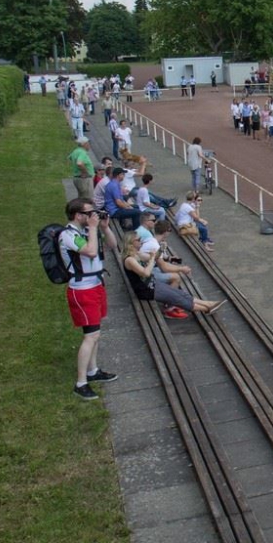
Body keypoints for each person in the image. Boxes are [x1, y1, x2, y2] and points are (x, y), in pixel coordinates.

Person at [60, 197, 119, 400]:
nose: (93, 215)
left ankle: (93, 371)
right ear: (78, 216)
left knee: (96, 333)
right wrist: (94, 229)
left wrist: (104, 228)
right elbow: (91, 252)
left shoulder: (88, 231)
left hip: (96, 286)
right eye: (89, 213)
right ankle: (81, 382)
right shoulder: (68, 235)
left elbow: (113, 245)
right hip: (82, 290)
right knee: (90, 335)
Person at [122, 232, 223, 316]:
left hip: (152, 284)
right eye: (138, 240)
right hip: (146, 290)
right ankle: (206, 308)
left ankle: (208, 303)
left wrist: (160, 250)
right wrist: (152, 259)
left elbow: (152, 257)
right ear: (131, 242)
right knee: (177, 298)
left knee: (180, 293)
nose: (141, 241)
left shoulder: (137, 254)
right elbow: (146, 273)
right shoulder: (130, 260)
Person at [69, 135, 94, 200]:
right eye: (88, 143)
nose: (89, 145)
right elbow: (79, 163)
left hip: (77, 178)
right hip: (84, 179)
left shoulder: (75, 151)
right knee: (87, 199)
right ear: (84, 144)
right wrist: (85, 172)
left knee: (81, 198)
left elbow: (70, 158)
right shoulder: (82, 152)